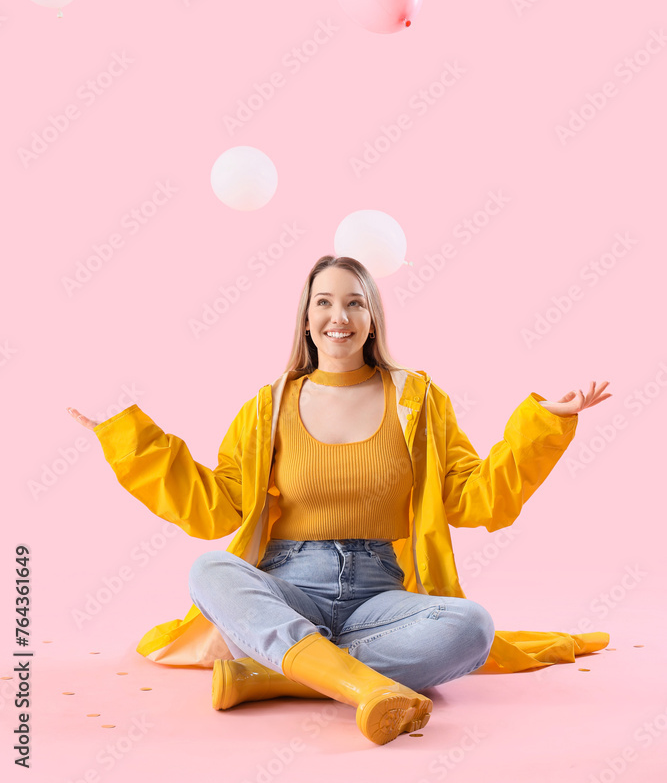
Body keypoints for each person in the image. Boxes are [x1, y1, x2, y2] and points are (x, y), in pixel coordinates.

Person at [67, 254, 612, 747]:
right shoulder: (269, 406)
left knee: (472, 628)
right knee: (210, 570)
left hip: (380, 594)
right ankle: (360, 685)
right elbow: (220, 506)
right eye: (323, 302)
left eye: (355, 302)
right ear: (306, 320)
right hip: (288, 588)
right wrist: (131, 443)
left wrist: (545, 426)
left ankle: (273, 676)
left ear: (373, 318)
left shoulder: (418, 401)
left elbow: (474, 499)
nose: (339, 316)